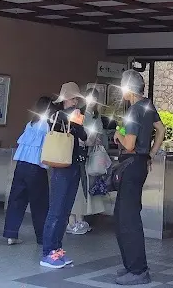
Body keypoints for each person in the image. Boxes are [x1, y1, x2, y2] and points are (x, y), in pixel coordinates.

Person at [111, 69, 165, 286]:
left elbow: (130, 144)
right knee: (126, 215)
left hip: (131, 165)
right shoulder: (148, 105)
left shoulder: (134, 109)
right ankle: (131, 266)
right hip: (141, 164)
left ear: (128, 89)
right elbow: (161, 130)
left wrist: (118, 135)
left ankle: (138, 270)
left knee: (127, 218)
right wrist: (151, 153)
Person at [40, 82, 87, 270]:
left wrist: (76, 122)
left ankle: (57, 250)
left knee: (65, 210)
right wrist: (73, 121)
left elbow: (81, 135)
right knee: (57, 209)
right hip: (61, 165)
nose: (75, 101)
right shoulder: (56, 115)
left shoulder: (73, 115)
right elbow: (79, 133)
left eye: (77, 98)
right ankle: (48, 252)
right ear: (65, 99)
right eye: (73, 98)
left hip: (73, 164)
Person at [3, 96, 52, 246]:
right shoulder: (47, 126)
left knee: (16, 200)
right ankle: (42, 237)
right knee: (40, 204)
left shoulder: (30, 124)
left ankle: (11, 235)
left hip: (21, 165)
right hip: (36, 168)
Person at [67, 83, 115, 236]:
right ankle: (71, 221)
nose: (92, 102)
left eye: (95, 99)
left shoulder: (95, 116)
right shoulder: (80, 114)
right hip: (80, 156)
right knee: (77, 189)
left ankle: (79, 219)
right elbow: (77, 135)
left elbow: (100, 135)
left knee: (84, 189)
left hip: (89, 155)